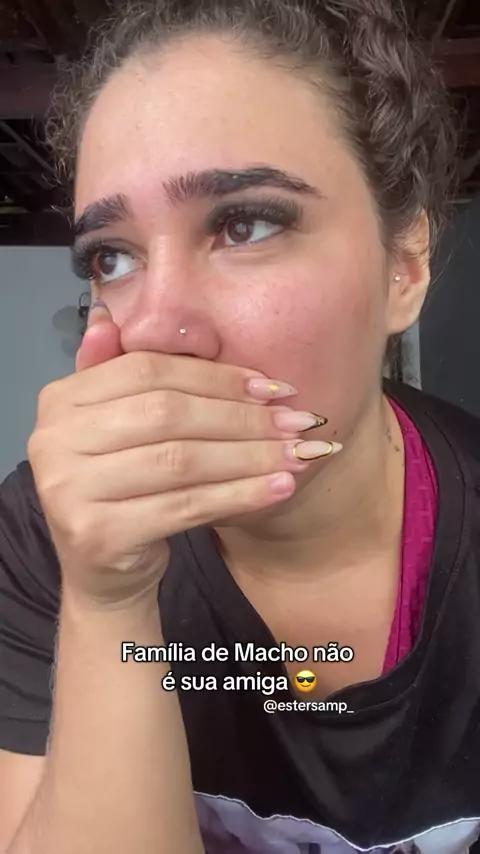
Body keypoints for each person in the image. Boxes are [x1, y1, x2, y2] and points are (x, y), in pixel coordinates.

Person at [0, 0, 479, 852]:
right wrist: (108, 601)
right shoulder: (44, 533)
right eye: (112, 256)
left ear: (404, 267)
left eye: (244, 223)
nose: (154, 327)